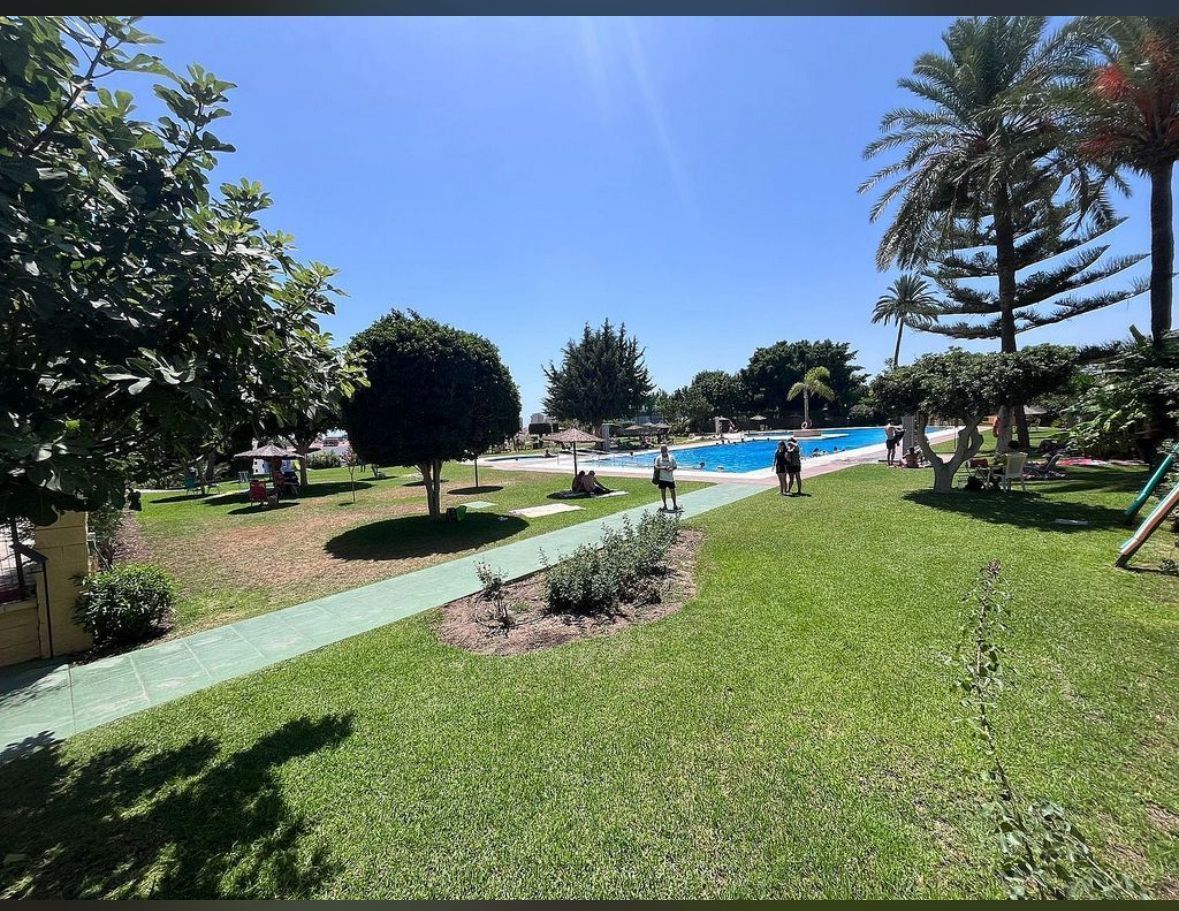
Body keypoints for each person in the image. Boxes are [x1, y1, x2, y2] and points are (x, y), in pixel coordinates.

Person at [654, 445, 679, 511]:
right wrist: (663, 468)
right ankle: (665, 505)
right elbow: (656, 466)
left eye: (664, 450)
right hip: (662, 479)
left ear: (667, 450)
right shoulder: (658, 458)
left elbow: (675, 466)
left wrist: (671, 469)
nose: (663, 452)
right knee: (663, 492)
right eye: (662, 450)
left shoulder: (671, 458)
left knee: (673, 492)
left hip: (670, 478)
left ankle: (674, 505)